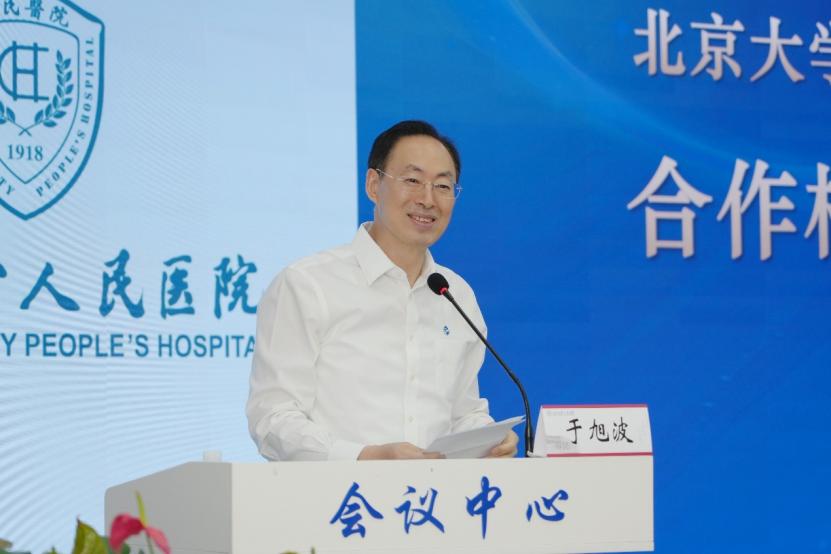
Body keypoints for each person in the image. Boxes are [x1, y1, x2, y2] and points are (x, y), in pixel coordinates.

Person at [246, 120, 518, 461]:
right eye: (412, 181)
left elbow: (461, 412)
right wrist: (365, 457)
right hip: (336, 493)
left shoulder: (455, 294)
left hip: (434, 494)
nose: (428, 199)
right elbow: (272, 418)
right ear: (374, 185)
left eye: (442, 186)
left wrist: (487, 438)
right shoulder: (307, 284)